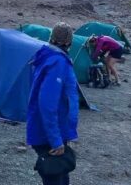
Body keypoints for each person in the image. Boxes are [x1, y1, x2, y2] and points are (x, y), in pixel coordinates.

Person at [27, 22, 79, 185]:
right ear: (68, 42)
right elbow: (47, 103)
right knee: (56, 179)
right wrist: (56, 140)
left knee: (60, 177)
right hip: (48, 134)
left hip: (55, 130)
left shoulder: (49, 56)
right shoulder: (57, 62)